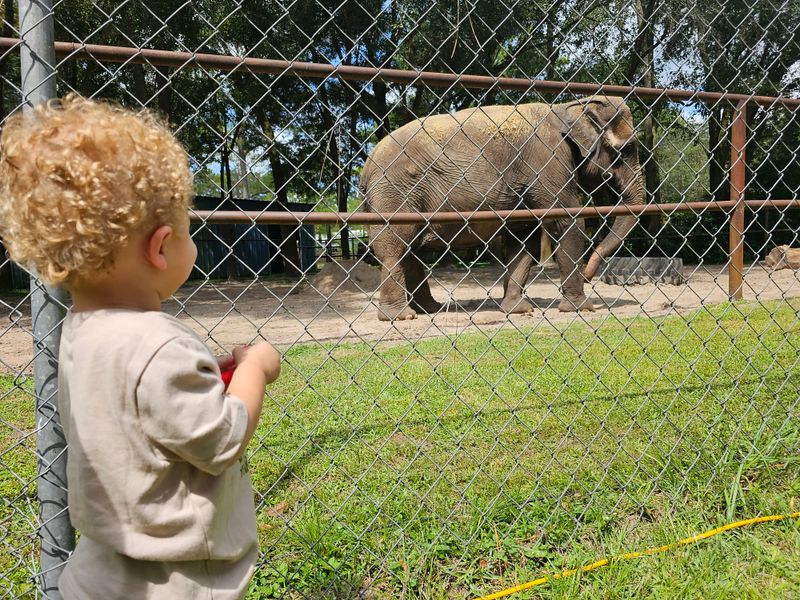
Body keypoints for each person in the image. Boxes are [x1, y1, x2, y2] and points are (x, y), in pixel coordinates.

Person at [0, 95, 281, 599]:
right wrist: (255, 368)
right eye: (189, 231)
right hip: (180, 579)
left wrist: (208, 378)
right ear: (160, 247)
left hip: (102, 571)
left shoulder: (79, 332)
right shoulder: (159, 345)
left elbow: (141, 407)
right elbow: (220, 439)